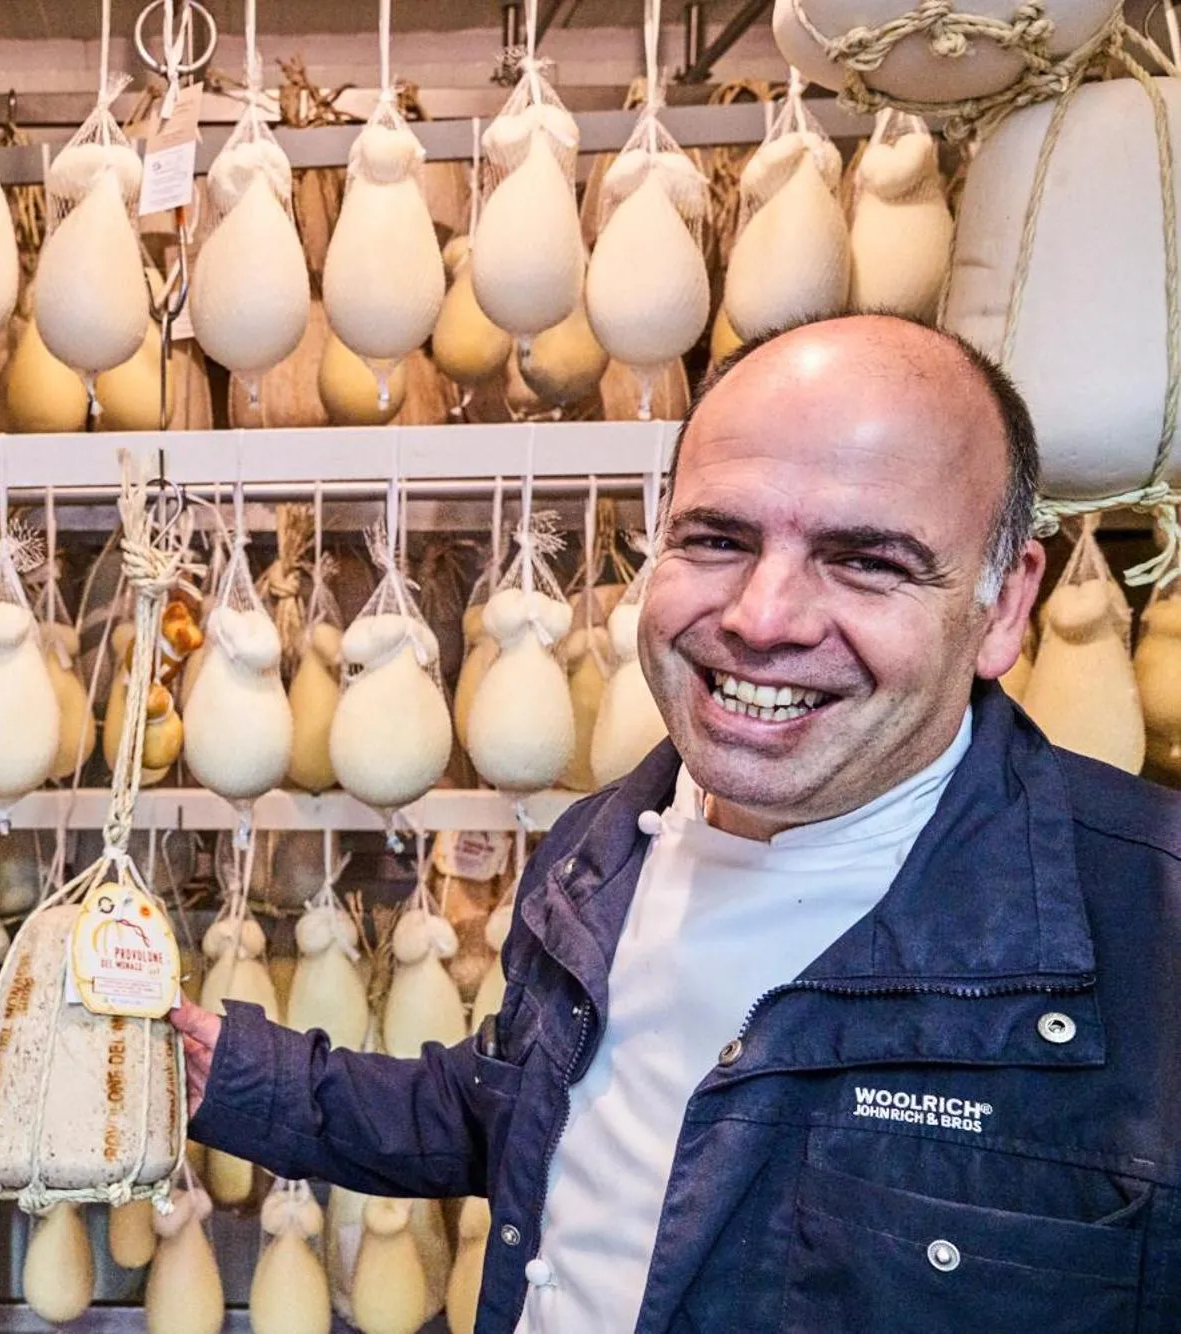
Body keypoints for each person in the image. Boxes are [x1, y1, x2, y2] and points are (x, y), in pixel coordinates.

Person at [172, 314, 1181, 1333]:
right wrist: (238, 1069)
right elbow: (522, 1110)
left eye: (865, 558)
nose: (760, 614)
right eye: (716, 538)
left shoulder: (1153, 932)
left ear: (1004, 606)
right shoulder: (597, 852)